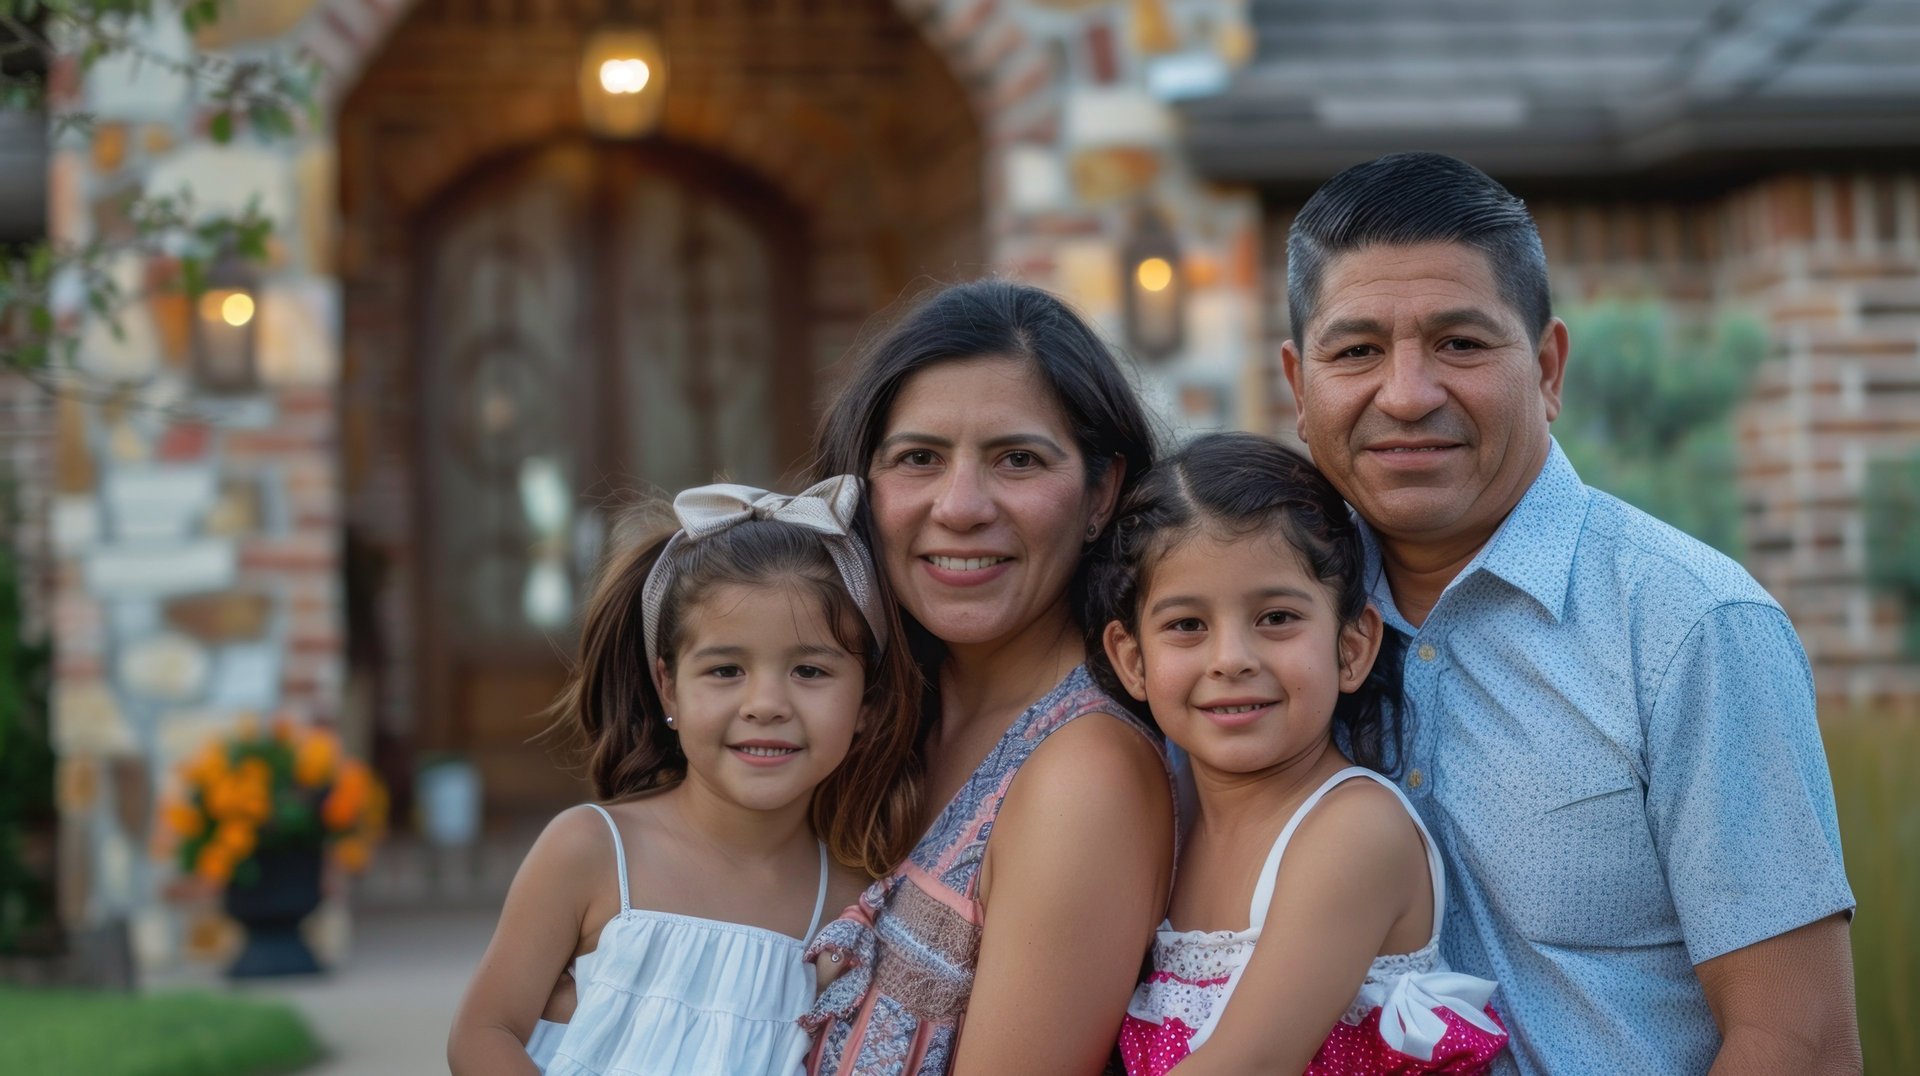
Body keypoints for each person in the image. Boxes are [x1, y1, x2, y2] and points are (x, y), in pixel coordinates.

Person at [1280, 151, 1859, 1074]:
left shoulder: (1692, 627)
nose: (1407, 393)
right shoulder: (1262, 631)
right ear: (1297, 388)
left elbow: (1800, 1045)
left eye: (1461, 344)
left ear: (1548, 367)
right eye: (1356, 351)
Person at [800, 280, 1176, 1074]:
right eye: (919, 459)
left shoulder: (1085, 774)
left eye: (1017, 459)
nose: (961, 506)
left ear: (1101, 492)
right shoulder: (861, 709)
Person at [447, 477, 922, 1075]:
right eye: (725, 670)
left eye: (808, 670)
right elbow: (482, 1033)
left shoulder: (852, 902)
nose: (765, 703)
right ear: (668, 686)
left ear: (868, 703)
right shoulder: (592, 850)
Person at [1093, 432, 1508, 1075]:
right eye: (1186, 626)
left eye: (1277, 617)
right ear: (1132, 659)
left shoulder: (1353, 831)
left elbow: (1245, 1064)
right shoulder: (1166, 822)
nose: (1231, 659)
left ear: (1350, 647)